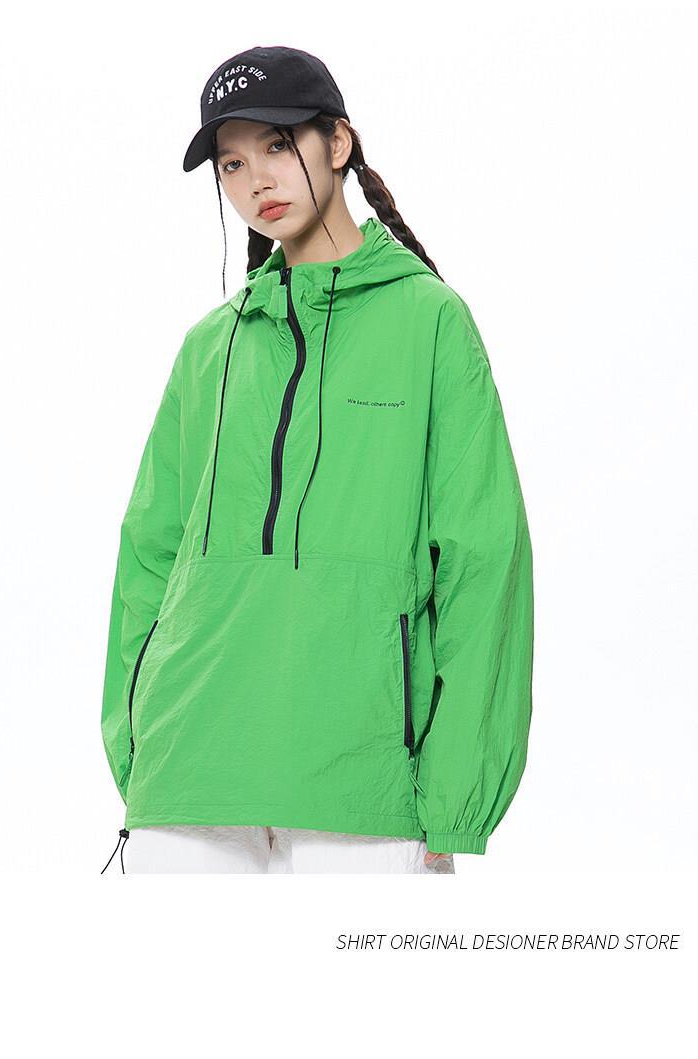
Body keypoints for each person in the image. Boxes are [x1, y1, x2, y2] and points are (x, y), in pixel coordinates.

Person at [99, 45, 534, 875]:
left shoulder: (431, 322)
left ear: (338, 142)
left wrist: (458, 791)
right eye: (231, 162)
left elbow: (485, 566)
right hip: (188, 773)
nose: (255, 179)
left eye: (277, 143)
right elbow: (148, 558)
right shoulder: (210, 348)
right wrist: (136, 744)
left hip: (364, 778)